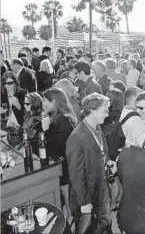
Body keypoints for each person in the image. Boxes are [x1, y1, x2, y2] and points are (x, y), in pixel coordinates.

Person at [66, 93, 115, 234]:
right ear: (93, 110)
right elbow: (76, 174)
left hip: (101, 187)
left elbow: (101, 152)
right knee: (87, 228)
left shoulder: (97, 128)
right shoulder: (76, 137)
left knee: (104, 223)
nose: (107, 114)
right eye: (105, 110)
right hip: (88, 193)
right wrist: (85, 202)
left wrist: (109, 162)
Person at [42, 87, 77, 223]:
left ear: (54, 102)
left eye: (45, 100)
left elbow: (59, 147)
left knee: (65, 191)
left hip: (64, 164)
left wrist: (46, 131)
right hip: (62, 162)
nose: (43, 103)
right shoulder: (58, 117)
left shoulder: (62, 120)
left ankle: (70, 214)